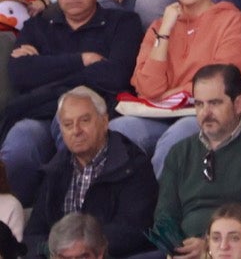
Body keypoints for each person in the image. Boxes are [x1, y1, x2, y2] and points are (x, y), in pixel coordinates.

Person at [0, 0, 141, 204]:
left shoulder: (123, 24)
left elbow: (114, 76)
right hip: (37, 116)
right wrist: (82, 61)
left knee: (73, 121)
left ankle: (70, 217)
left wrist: (45, 67)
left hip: (93, 117)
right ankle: (16, 230)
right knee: (19, 145)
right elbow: (20, 74)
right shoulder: (38, 27)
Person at [110, 0, 241, 165]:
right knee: (118, 131)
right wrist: (165, 33)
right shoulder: (160, 26)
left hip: (213, 115)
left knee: (177, 139)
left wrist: (169, 95)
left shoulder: (231, 21)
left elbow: (223, 84)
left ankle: (162, 201)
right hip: (163, 116)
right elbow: (149, 89)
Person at [151, 64, 241, 243]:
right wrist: (178, 248)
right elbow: (164, 218)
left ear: (238, 104)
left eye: (214, 103)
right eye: (199, 104)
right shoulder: (179, 152)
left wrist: (210, 247)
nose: (205, 113)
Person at [22, 88, 158, 259]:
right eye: (68, 124)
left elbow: (135, 230)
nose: (76, 130)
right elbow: (34, 234)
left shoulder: (133, 165)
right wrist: (55, 252)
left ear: (105, 121)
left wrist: (83, 251)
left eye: (84, 120)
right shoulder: (54, 169)